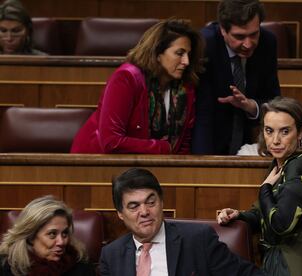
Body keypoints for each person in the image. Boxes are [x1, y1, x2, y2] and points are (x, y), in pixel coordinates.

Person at [217, 96, 302, 275]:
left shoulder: (300, 164)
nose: (275, 140)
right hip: (278, 263)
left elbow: (281, 224)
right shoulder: (279, 164)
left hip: (295, 267)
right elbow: (263, 213)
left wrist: (264, 189)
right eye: (269, 131)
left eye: (284, 131)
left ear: (300, 132)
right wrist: (239, 216)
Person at [70, 18, 204, 154]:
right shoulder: (127, 77)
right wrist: (163, 148)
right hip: (97, 162)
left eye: (189, 54)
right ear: (157, 53)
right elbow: (112, 141)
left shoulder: (186, 88)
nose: (186, 61)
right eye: (179, 53)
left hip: (153, 167)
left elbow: (184, 143)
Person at [100, 167, 265, 276]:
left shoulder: (198, 240)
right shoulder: (111, 255)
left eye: (151, 202)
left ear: (162, 202)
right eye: (134, 206)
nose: (144, 212)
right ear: (120, 214)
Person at [192, 0, 281, 155]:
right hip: (209, 137)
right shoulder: (205, 45)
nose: (248, 44)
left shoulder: (268, 42)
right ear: (222, 30)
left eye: (254, 34)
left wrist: (251, 106)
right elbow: (202, 111)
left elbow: (274, 99)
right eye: (239, 36)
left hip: (248, 143)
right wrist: (204, 163)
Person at [0, 195, 95, 275]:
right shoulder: (7, 268)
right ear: (30, 237)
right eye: (52, 234)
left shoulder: (81, 267)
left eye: (65, 233)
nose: (61, 242)